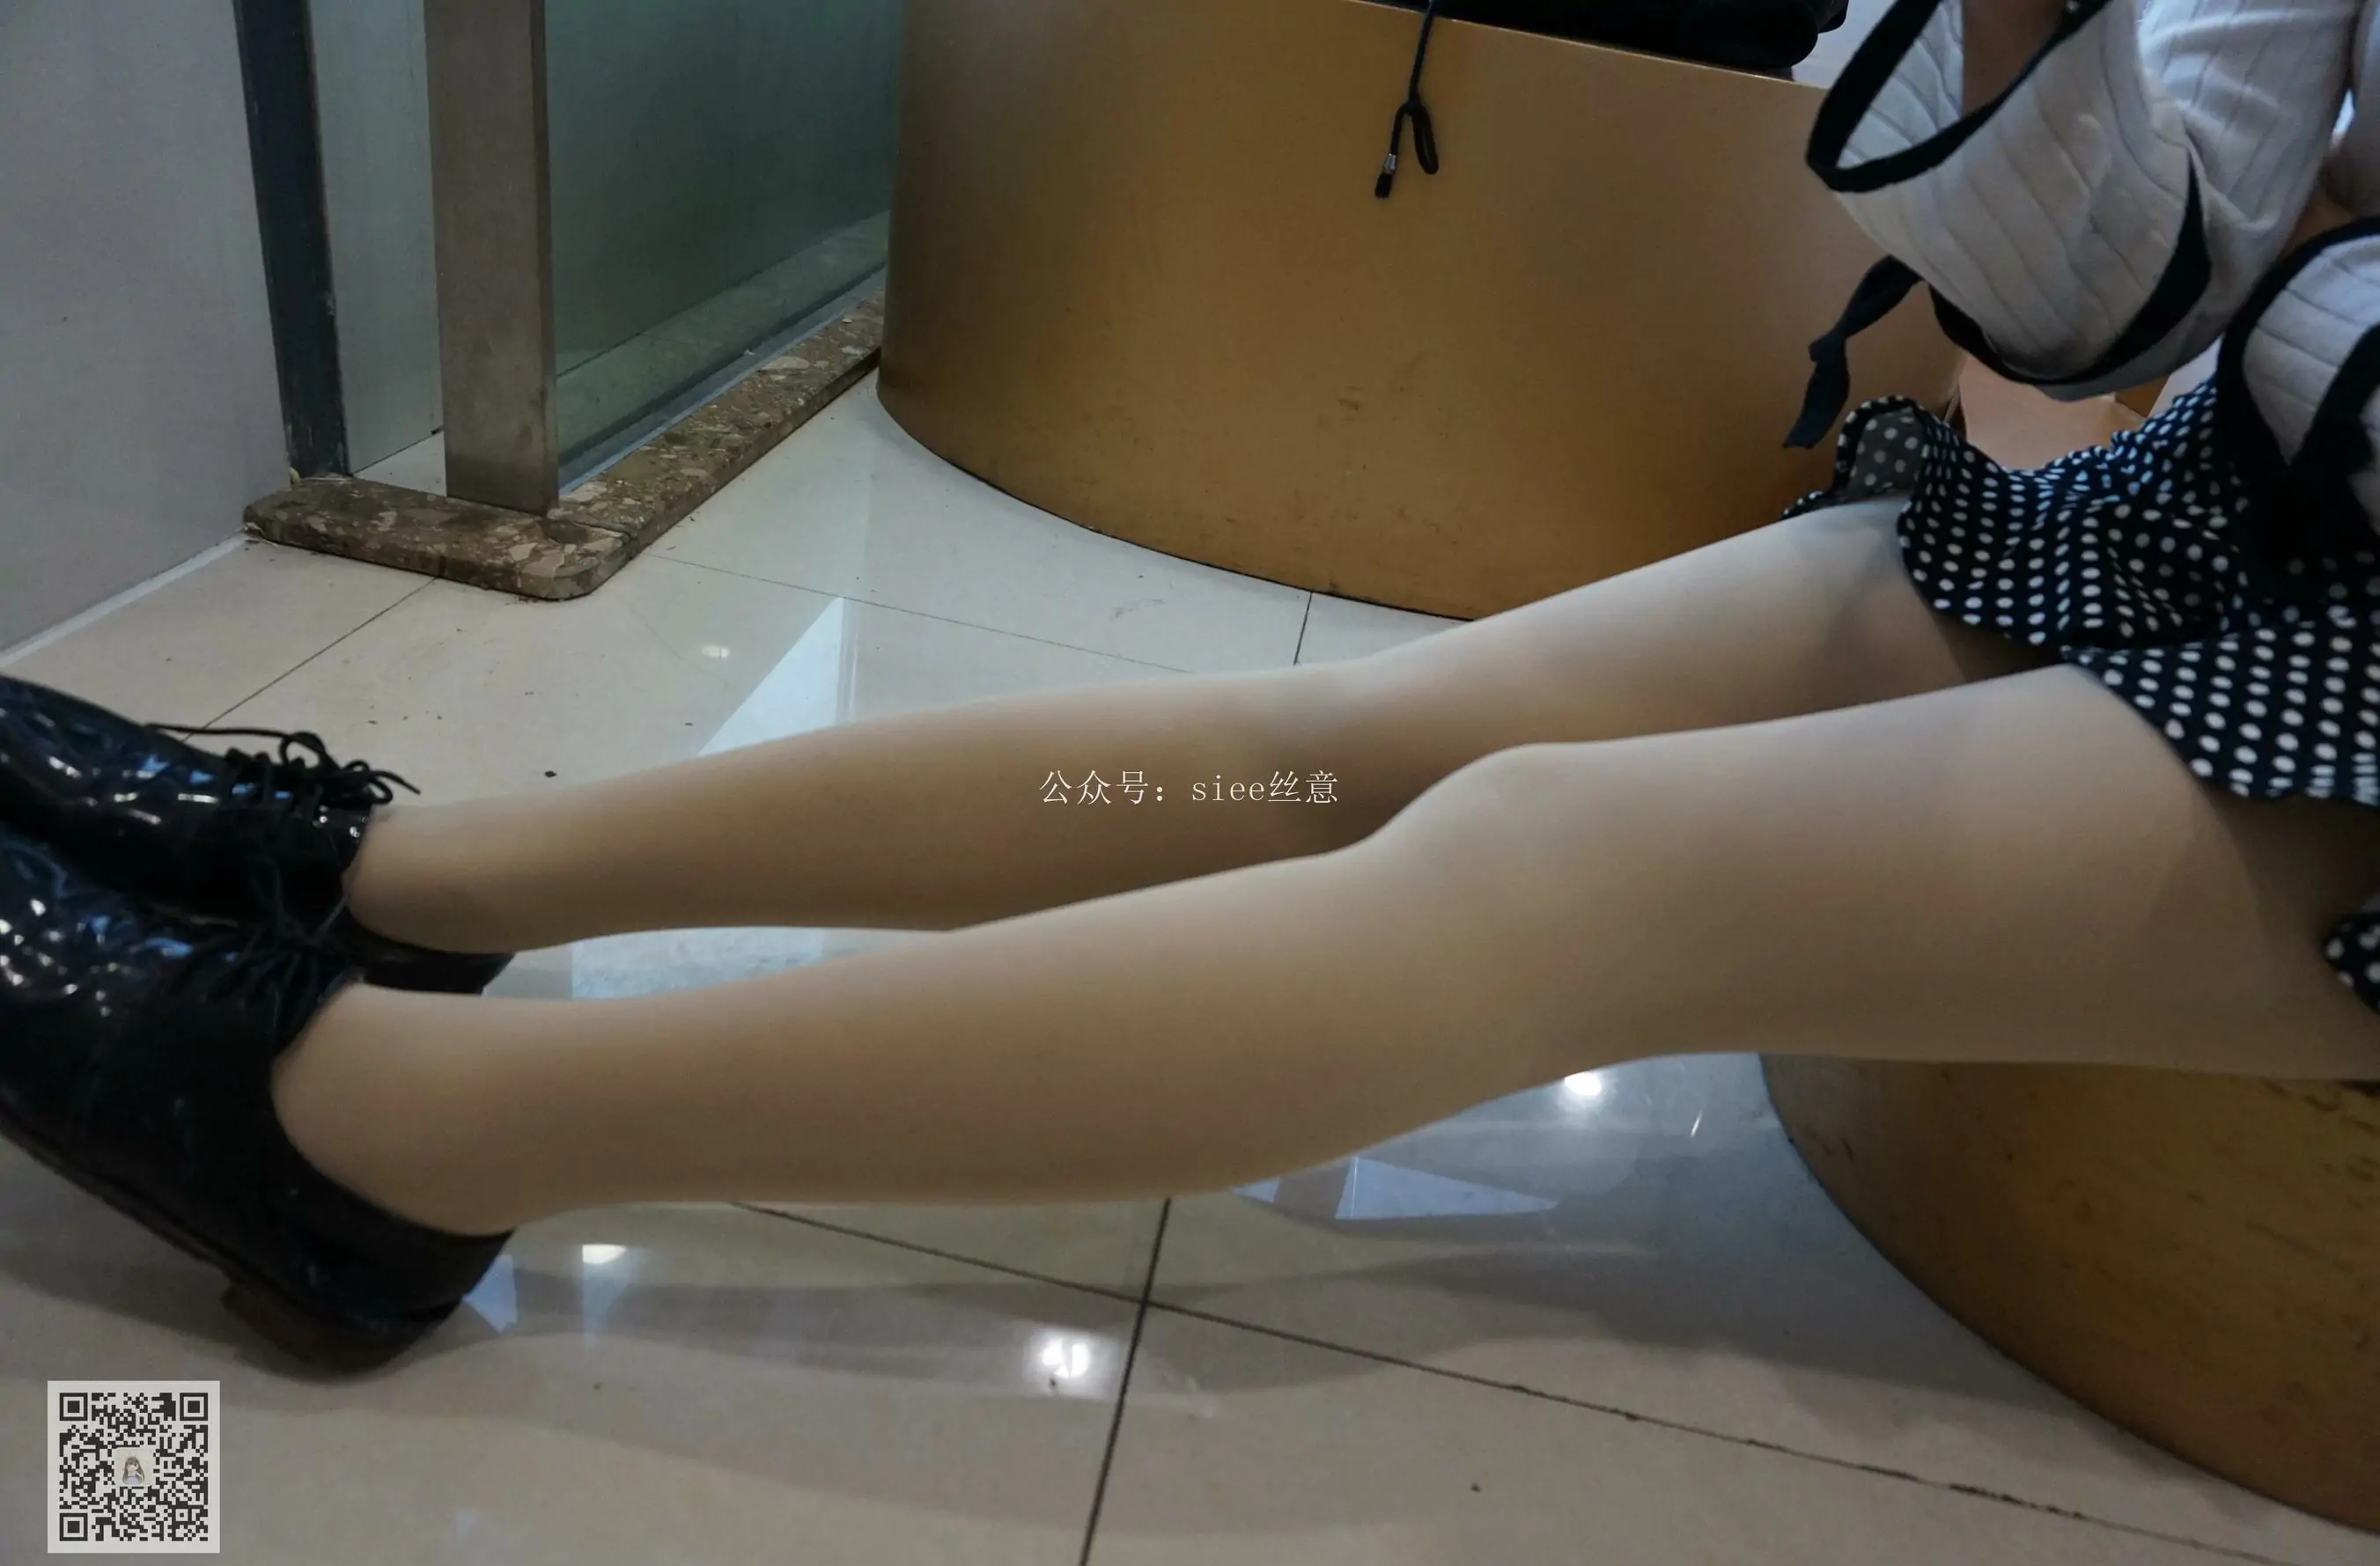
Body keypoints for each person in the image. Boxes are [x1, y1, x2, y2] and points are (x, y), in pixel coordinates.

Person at [6, 0, 2380, 1370]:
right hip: (2242, 499)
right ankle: (395, 876)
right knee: (1334, 744)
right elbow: (2110, 295)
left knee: (1550, 872)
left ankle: (369, 1132)